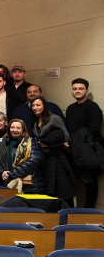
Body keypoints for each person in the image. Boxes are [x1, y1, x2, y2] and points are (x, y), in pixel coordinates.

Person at [30, 96, 75, 205]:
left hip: (57, 157)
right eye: (33, 105)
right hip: (45, 158)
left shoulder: (54, 118)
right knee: (51, 190)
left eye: (38, 105)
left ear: (44, 106)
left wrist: (48, 143)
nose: (35, 107)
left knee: (63, 189)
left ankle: (69, 216)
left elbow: (66, 136)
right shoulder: (36, 120)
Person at [66, 78, 103, 208]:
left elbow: (94, 131)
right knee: (70, 182)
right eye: (75, 89)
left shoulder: (92, 107)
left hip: (88, 151)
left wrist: (73, 143)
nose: (77, 91)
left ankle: (89, 213)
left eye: (80, 89)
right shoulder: (70, 108)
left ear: (87, 90)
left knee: (90, 184)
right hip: (72, 151)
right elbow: (68, 129)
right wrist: (67, 142)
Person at [0, 119, 44, 194]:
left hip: (29, 186)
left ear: (23, 130)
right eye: (12, 127)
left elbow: (33, 161)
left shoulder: (31, 142)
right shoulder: (3, 143)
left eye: (18, 128)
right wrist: (2, 172)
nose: (15, 130)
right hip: (7, 183)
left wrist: (11, 174)